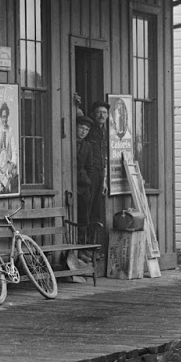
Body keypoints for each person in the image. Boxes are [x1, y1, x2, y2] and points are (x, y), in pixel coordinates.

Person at [73, 112, 106, 273]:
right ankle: (77, 250)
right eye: (81, 128)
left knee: (85, 219)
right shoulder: (70, 144)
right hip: (72, 186)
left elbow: (91, 167)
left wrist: (87, 181)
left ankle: (83, 249)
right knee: (75, 219)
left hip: (84, 187)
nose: (83, 131)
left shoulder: (87, 146)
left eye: (86, 129)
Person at [0, 101, 18, 195]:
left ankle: (1, 186)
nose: (4, 120)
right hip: (0, 163)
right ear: (0, 117)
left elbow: (14, 150)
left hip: (8, 164)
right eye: (3, 117)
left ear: (8, 117)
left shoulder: (11, 131)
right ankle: (5, 182)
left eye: (6, 117)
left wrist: (13, 163)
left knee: (14, 170)